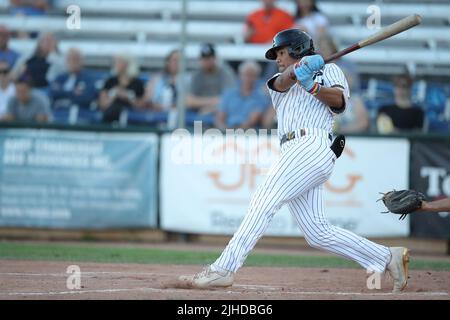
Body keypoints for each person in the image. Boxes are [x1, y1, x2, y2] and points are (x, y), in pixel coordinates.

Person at [179, 29, 409, 293]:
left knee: (264, 199)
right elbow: (283, 82)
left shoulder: (331, 71)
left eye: (281, 52)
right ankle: (386, 257)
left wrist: (312, 84)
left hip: (312, 143)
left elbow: (339, 101)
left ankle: (224, 269)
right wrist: (299, 69)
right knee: (317, 232)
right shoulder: (279, 78)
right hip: (292, 149)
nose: (277, 58)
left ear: (297, 48)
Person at [215, 60, 270, 130]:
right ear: (240, 75)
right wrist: (225, 130)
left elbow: (253, 120)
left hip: (248, 133)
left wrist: (235, 132)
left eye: (252, 75)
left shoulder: (262, 97)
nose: (248, 78)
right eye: (246, 74)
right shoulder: (229, 94)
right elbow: (220, 117)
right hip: (226, 131)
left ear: (257, 77)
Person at [186, 43, 235, 116]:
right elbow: (189, 101)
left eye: (209, 58)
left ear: (215, 58)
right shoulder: (197, 75)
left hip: (219, 113)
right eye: (204, 59)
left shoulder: (225, 73)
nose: (206, 62)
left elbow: (229, 99)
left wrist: (210, 108)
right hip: (199, 112)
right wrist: (211, 102)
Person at [98, 53, 145, 123]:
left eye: (118, 62)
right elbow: (103, 104)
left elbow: (141, 107)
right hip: (109, 113)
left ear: (126, 64)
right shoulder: (110, 81)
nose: (115, 64)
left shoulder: (138, 83)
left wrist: (128, 97)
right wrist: (114, 94)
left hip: (130, 115)